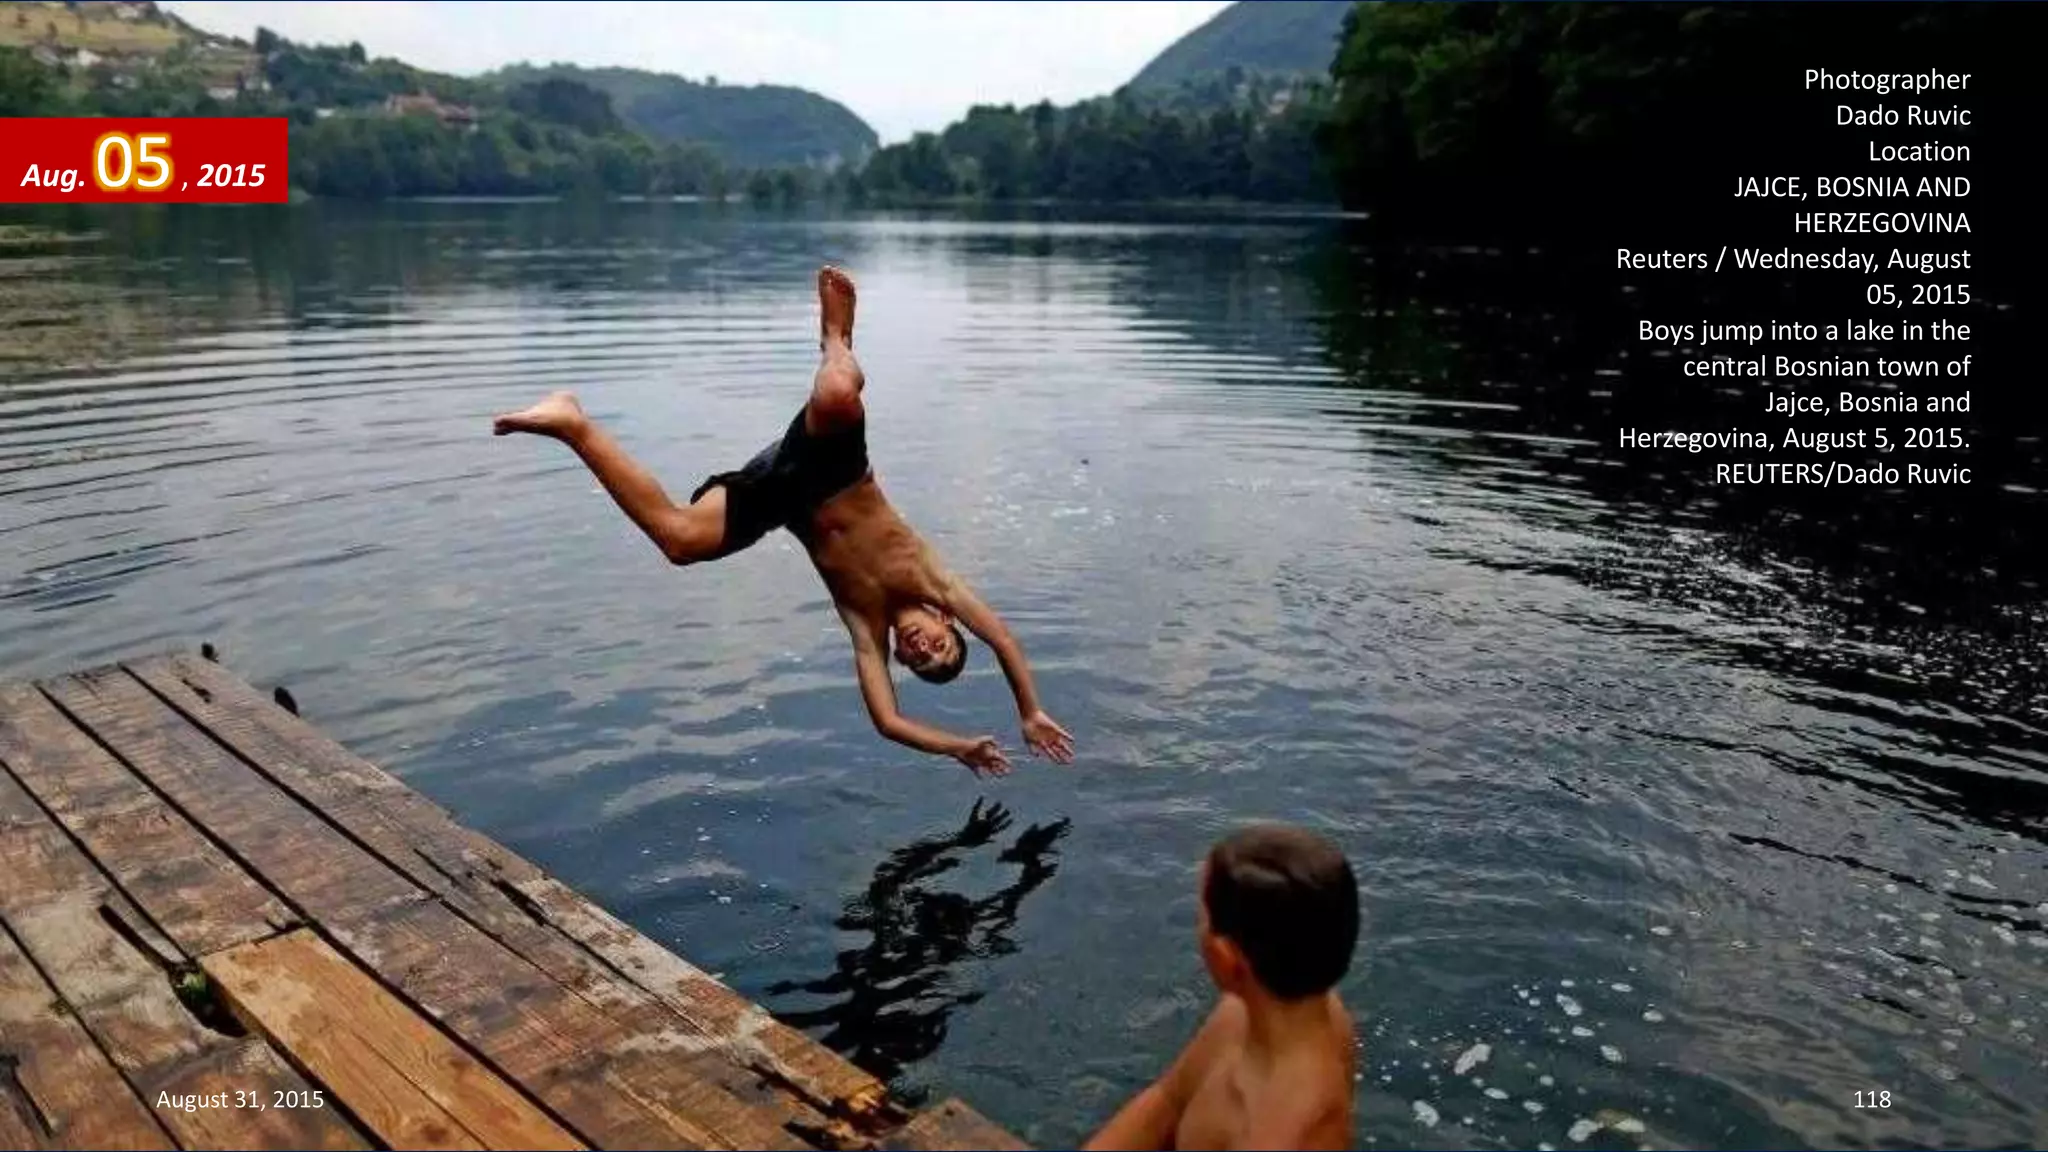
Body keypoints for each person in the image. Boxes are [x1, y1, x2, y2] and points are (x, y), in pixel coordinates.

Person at [492, 266, 1074, 777]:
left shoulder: (867, 629)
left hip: (779, 496)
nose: (925, 650)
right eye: (943, 647)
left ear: (902, 655)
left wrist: (959, 747)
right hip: (835, 467)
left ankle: (573, 423)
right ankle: (836, 339)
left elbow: (889, 722)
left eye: (921, 661)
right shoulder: (936, 582)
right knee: (840, 393)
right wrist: (1029, 708)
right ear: (945, 620)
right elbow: (1000, 636)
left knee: (678, 540)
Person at [1087, 825, 1360, 1151]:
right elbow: (1169, 1098)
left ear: (1226, 957)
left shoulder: (1287, 1135)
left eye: (1202, 917)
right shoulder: (1248, 1014)